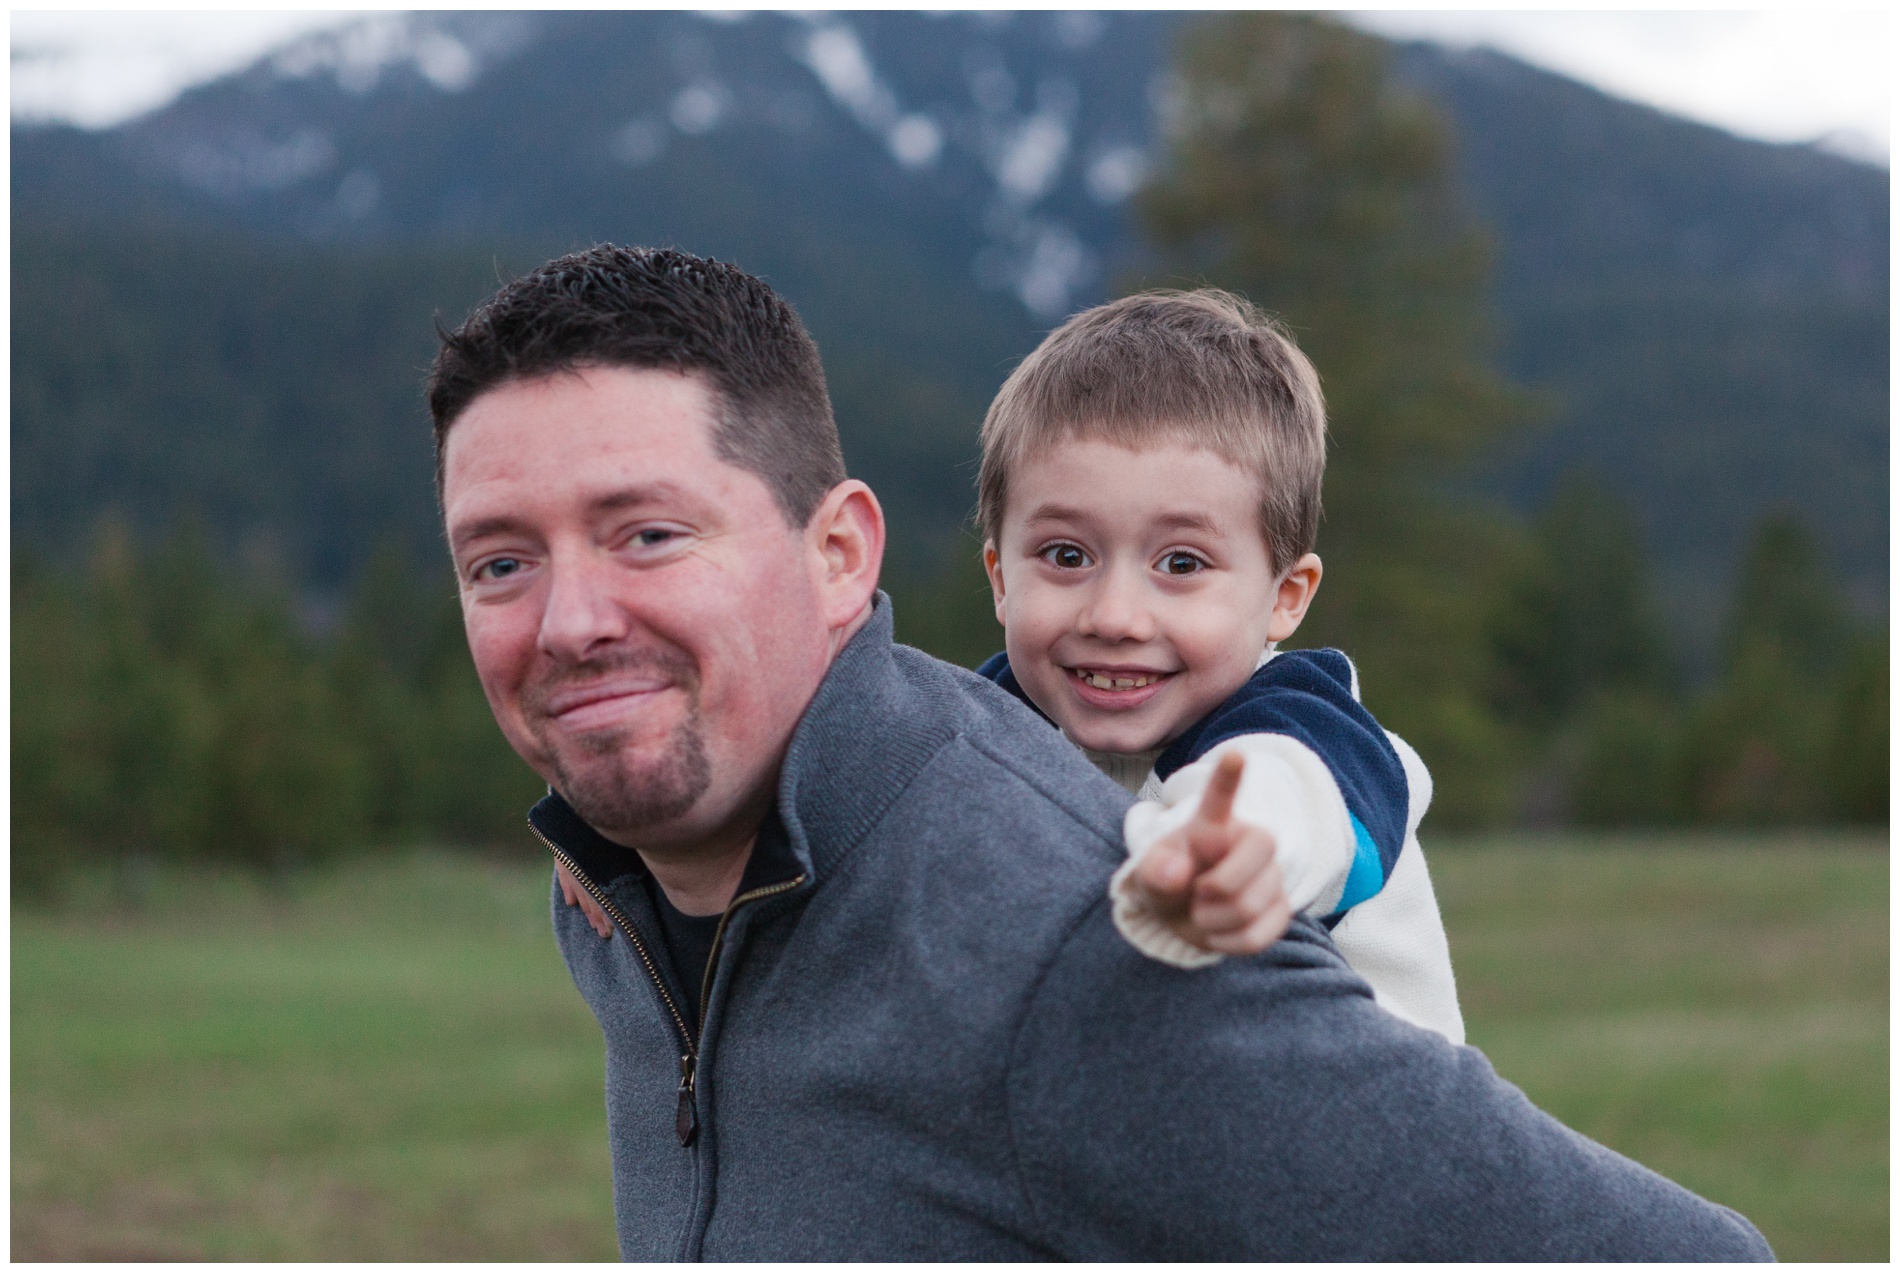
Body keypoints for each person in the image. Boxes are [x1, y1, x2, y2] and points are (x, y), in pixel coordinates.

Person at [429, 244, 1771, 1260]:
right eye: (501, 560)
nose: (573, 621)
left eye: (647, 532)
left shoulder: (1108, 913)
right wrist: (623, 873)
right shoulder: (642, 885)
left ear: (839, 553)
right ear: (1002, 571)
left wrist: (1234, 855)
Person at [972, 289, 1462, 1042]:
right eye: (1067, 555)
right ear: (1002, 577)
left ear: (1284, 598)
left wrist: (1230, 848)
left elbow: (1296, 797)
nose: (1114, 616)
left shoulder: (1309, 729)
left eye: (1181, 561)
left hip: (1362, 1139)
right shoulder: (982, 731)